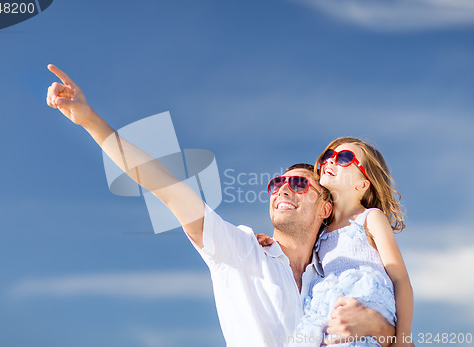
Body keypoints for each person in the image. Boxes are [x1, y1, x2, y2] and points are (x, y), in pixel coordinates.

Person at [46, 64, 396, 346]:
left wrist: (381, 328)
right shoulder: (240, 250)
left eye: (300, 183)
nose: (283, 188)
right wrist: (89, 120)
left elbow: (386, 323)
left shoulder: (333, 274)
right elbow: (164, 186)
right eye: (277, 182)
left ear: (325, 209)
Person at [294, 138, 413, 346]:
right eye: (329, 156)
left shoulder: (370, 218)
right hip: (328, 317)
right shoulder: (319, 230)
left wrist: (403, 338)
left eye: (344, 158)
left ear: (363, 184)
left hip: (365, 309)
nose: (331, 161)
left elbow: (400, 279)